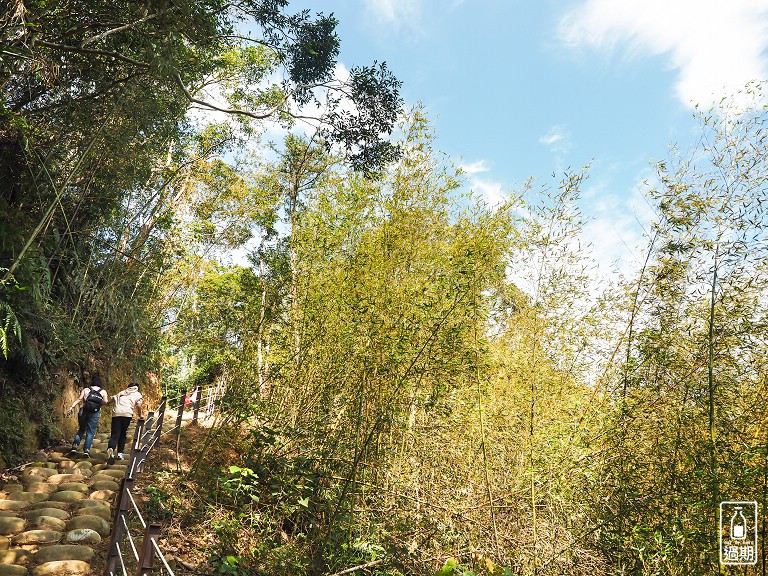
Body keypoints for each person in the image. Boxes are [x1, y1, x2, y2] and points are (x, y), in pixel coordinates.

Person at [68, 375, 108, 458]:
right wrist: (98, 404)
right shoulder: (103, 391)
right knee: (90, 432)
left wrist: (71, 407)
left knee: (81, 429)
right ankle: (86, 451)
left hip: (84, 411)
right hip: (95, 413)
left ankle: (74, 446)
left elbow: (79, 399)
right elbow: (105, 402)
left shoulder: (86, 389)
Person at [107, 382, 144, 465]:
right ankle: (120, 453)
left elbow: (111, 400)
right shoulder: (137, 394)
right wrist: (140, 415)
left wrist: (105, 403)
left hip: (116, 414)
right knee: (123, 434)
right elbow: (138, 405)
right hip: (127, 414)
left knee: (115, 434)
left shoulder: (122, 392)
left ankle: (111, 448)